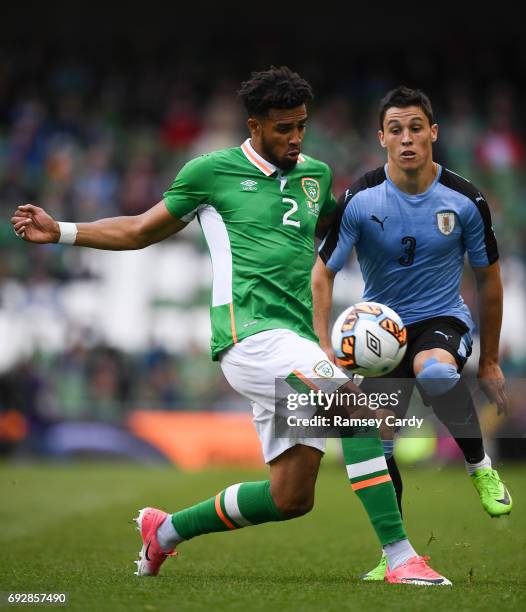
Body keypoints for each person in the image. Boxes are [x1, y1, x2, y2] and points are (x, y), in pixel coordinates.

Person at [10, 68, 450, 585]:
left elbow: (339, 222)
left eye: (301, 126)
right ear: (255, 126)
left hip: (297, 342)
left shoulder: (316, 175)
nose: (295, 138)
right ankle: (401, 559)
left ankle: (165, 531)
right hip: (250, 338)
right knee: (353, 407)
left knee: (291, 498)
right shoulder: (210, 172)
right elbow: (137, 230)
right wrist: (60, 230)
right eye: (283, 128)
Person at [312, 85, 512, 581]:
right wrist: (322, 346)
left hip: (443, 318)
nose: (407, 139)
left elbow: (489, 279)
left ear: (433, 134)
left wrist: (488, 361)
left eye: (416, 128)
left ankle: (478, 465)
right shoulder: (360, 198)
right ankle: (395, 555)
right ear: (382, 137)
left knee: (437, 373)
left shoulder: (465, 200)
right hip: (381, 333)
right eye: (396, 129)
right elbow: (322, 273)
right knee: (376, 446)